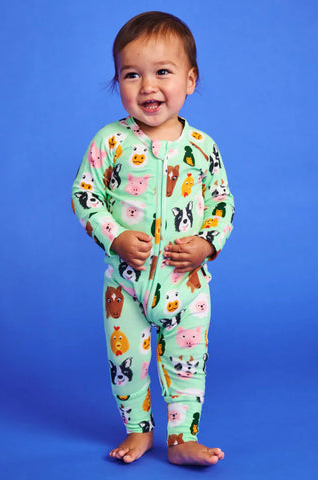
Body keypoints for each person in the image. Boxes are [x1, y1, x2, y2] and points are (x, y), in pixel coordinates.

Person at [71, 11, 234, 466]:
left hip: (187, 286)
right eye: (132, 75)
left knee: (188, 363)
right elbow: (84, 195)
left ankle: (182, 439)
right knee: (127, 366)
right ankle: (138, 430)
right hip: (126, 286)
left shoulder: (202, 147)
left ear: (190, 80)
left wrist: (207, 244)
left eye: (163, 72)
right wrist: (116, 237)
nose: (148, 86)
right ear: (117, 81)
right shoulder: (111, 142)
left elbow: (222, 203)